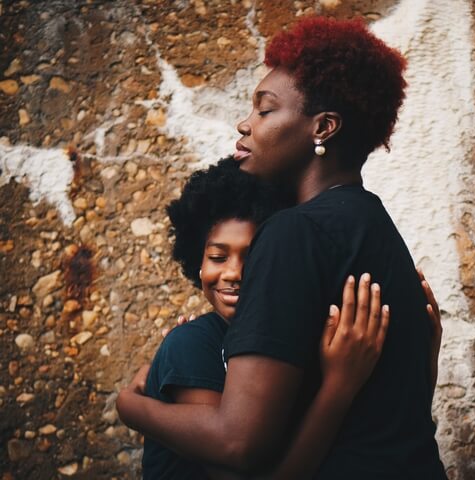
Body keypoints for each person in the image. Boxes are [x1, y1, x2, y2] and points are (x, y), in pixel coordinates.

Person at [117, 16, 446, 478]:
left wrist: (131, 406)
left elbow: (238, 443)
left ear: (323, 127)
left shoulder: (294, 232)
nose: (245, 124)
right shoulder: (374, 225)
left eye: (265, 111)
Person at [142, 159, 390, 479]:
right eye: (218, 257)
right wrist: (338, 386)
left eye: (254, 257)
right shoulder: (192, 344)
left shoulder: (282, 345)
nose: (234, 273)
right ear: (198, 263)